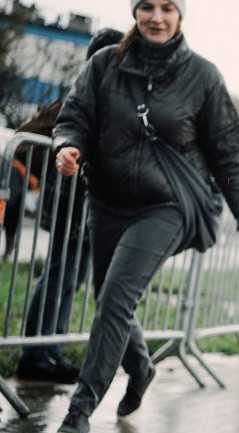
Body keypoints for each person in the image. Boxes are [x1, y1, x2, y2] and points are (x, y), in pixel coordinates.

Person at [51, 0, 239, 433]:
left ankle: (80, 410)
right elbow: (76, 117)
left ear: (180, 15)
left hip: (166, 205)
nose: (157, 17)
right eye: (147, 6)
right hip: (107, 200)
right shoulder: (106, 63)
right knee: (110, 299)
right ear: (136, 12)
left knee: (114, 298)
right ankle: (142, 367)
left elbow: (229, 150)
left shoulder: (202, 76)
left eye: (168, 7)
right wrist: (67, 146)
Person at [16, 28, 125, 385]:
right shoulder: (79, 100)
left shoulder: (110, 102)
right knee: (59, 277)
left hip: (92, 211)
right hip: (70, 207)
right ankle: (35, 354)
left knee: (71, 279)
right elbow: (25, 142)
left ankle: (51, 350)